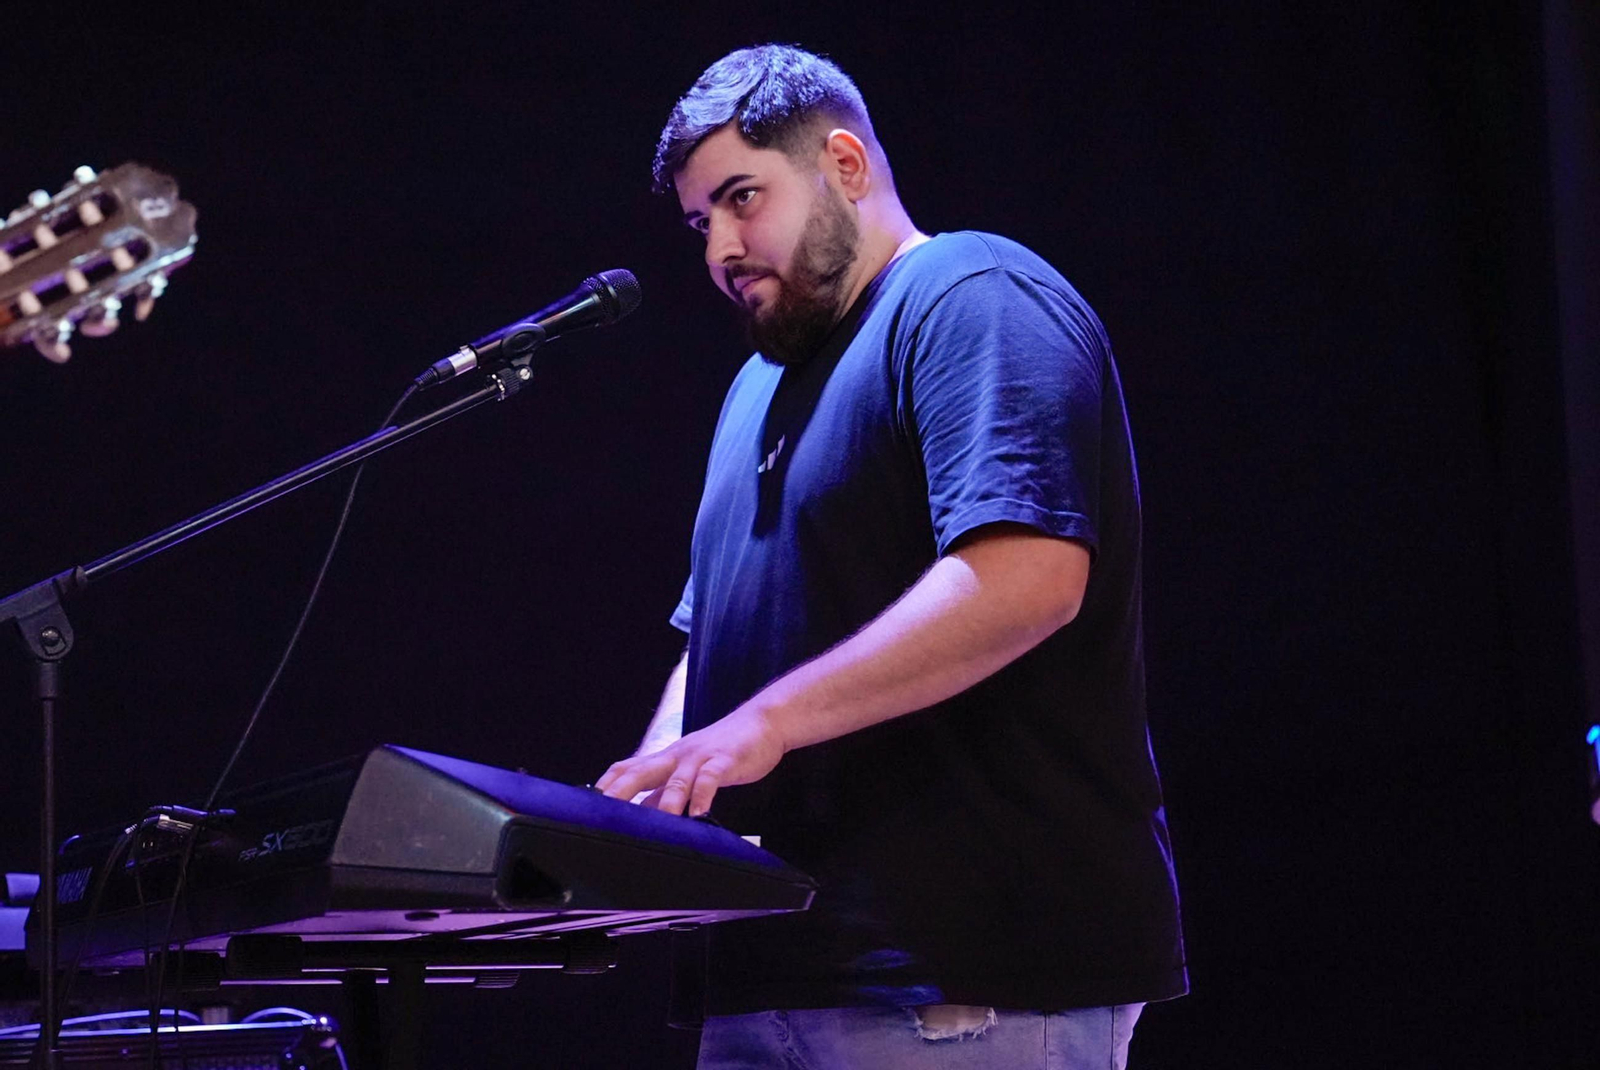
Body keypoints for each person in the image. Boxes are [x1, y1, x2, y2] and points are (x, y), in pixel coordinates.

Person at [596, 44, 1186, 1070]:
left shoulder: (971, 294)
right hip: (768, 975)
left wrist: (765, 722)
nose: (721, 249)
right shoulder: (754, 391)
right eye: (699, 224)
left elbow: (1029, 577)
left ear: (844, 163)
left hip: (966, 977)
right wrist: (643, 806)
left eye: (742, 198)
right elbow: (713, 650)